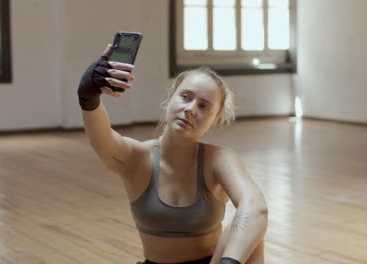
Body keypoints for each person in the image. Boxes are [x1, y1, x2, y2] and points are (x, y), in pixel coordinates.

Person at [77, 44, 268, 264]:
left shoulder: (219, 160)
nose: (191, 109)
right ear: (170, 99)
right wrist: (88, 97)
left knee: (252, 231)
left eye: (204, 106)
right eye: (185, 97)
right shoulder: (137, 158)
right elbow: (102, 141)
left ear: (214, 120)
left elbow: (256, 207)